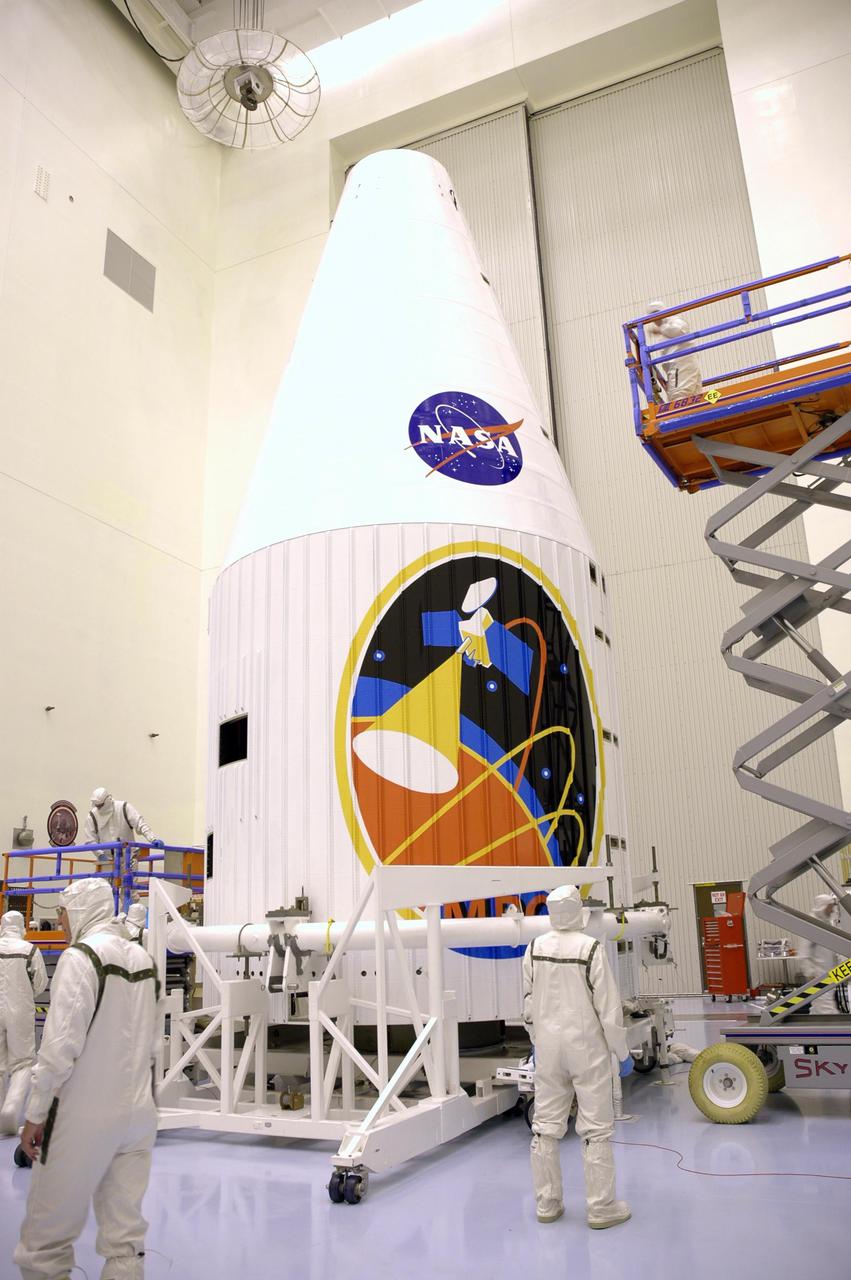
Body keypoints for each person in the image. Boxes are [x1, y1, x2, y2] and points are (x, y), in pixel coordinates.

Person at [14, 878, 160, 1280]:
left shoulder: (80, 958)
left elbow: (59, 1047)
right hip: (138, 1117)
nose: (60, 922)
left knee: (44, 1242)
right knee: (125, 1240)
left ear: (79, 910)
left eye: (62, 912)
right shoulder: (144, 960)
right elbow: (150, 1041)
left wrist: (36, 1113)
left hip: (83, 1116)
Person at [522, 884, 632, 1229]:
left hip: (548, 1049)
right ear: (577, 911)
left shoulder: (534, 948)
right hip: (587, 1049)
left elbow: (527, 1003)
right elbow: (608, 1009)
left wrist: (538, 1039)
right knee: (595, 1129)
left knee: (545, 1127)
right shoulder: (590, 948)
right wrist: (620, 1050)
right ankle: (601, 1208)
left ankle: (548, 1204)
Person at [0, 911, 48, 1135]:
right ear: (22, 926)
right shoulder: (29, 950)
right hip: (20, 1009)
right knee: (23, 1063)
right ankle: (11, 1109)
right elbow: (40, 983)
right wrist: (25, 994)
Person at [83, 789, 163, 897]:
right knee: (106, 892)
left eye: (100, 805)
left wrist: (152, 838)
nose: (99, 808)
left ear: (107, 800)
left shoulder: (124, 808)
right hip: (107, 859)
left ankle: (130, 907)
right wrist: (100, 854)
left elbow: (139, 823)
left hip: (128, 856)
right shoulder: (92, 816)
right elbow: (90, 839)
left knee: (129, 890)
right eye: (97, 805)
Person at [798, 893, 849, 1015]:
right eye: (830, 907)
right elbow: (803, 953)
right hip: (819, 974)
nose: (832, 910)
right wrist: (810, 973)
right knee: (825, 1006)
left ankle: (813, 1023)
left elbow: (834, 949)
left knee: (818, 1006)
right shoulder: (811, 924)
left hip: (830, 973)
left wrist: (844, 969)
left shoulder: (827, 923)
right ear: (823, 906)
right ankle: (834, 1026)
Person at [645, 302, 703, 401]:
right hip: (683, 366)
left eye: (656, 314)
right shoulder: (666, 328)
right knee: (694, 399)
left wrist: (661, 330)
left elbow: (680, 330)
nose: (655, 319)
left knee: (678, 397)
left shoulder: (674, 321)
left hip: (681, 365)